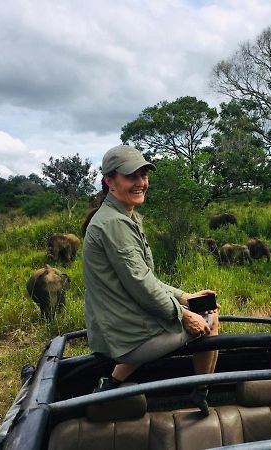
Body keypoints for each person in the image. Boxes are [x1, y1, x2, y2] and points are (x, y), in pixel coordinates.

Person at [83, 144, 219, 415]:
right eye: (131, 176)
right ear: (109, 181)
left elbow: (144, 278)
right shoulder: (114, 224)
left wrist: (184, 297)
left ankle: (113, 383)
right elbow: (142, 285)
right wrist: (184, 314)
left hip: (124, 322)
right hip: (127, 334)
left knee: (201, 305)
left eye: (143, 175)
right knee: (210, 320)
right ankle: (201, 391)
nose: (141, 183)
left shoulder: (121, 216)